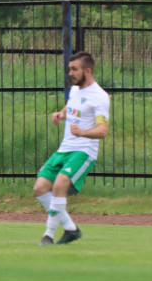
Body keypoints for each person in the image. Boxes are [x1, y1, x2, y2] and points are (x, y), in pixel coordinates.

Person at [33, 51, 110, 245]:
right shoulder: (75, 90)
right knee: (40, 188)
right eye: (70, 69)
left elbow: (103, 130)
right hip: (64, 149)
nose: (70, 73)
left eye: (74, 69)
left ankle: (48, 235)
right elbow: (72, 109)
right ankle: (71, 229)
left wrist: (83, 132)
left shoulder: (100, 96)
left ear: (88, 71)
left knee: (59, 184)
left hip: (83, 150)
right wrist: (60, 114)